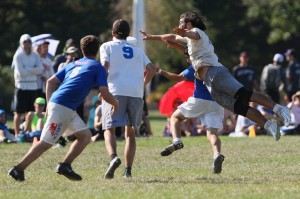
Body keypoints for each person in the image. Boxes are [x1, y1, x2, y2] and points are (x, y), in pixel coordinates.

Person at [140, 11, 291, 142]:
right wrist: (151, 36)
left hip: (216, 73)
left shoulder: (198, 32)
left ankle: (280, 108)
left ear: (189, 23)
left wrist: (184, 33)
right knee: (241, 108)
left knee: (245, 94)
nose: (179, 25)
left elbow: (191, 34)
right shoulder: (189, 40)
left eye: (181, 22)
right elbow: (172, 36)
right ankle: (269, 126)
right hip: (210, 83)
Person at [8, 35, 119, 182]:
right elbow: (104, 92)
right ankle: (18, 169)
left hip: (63, 106)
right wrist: (116, 104)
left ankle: (65, 165)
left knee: (85, 136)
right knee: (46, 142)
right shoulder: (97, 66)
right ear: (97, 50)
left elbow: (50, 82)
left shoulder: (73, 64)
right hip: (63, 107)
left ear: (81, 50)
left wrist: (49, 105)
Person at [155, 43, 225, 173]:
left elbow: (178, 78)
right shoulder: (218, 65)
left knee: (175, 117)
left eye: (188, 57)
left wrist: (159, 71)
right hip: (216, 102)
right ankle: (217, 154)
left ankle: (177, 141)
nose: (187, 59)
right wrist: (176, 45)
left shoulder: (197, 64)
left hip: (200, 99)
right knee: (212, 133)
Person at [99, 19, 156, 178]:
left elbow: (104, 66)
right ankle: (128, 171)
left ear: (112, 33)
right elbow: (151, 70)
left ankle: (113, 158)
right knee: (130, 132)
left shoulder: (107, 46)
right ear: (128, 34)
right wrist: (142, 84)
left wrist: (102, 87)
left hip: (115, 91)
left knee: (109, 129)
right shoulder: (137, 50)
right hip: (135, 93)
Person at [12, 34, 43, 138]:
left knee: (30, 112)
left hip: (33, 86)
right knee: (19, 112)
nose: (27, 44)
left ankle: (27, 133)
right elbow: (21, 73)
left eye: (29, 42)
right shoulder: (18, 56)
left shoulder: (36, 55)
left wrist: (27, 68)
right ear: (22, 43)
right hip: (21, 86)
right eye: (25, 42)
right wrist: (32, 69)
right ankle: (17, 134)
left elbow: (40, 70)